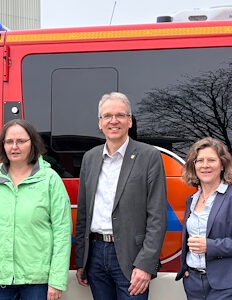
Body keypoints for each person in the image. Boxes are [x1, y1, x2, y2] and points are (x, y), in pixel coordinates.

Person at [74, 92, 168, 299]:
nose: (113, 121)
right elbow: (83, 213)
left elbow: (157, 216)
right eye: (107, 116)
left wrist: (145, 264)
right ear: (100, 123)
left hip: (131, 256)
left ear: (130, 121)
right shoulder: (90, 158)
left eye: (120, 115)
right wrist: (81, 260)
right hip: (96, 255)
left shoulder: (148, 156)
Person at [0, 119, 72, 300]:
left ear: (32, 143)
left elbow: (62, 233)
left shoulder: (49, 180)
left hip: (37, 282)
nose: (14, 147)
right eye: (9, 142)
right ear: (2, 145)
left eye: (21, 141)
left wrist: (56, 280)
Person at [174, 137, 232, 300]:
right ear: (194, 166)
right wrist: (186, 268)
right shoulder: (192, 200)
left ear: (222, 165)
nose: (205, 165)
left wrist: (210, 245)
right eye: (200, 161)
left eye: (211, 160)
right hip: (193, 283)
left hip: (227, 285)